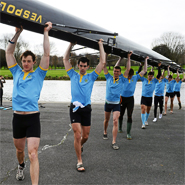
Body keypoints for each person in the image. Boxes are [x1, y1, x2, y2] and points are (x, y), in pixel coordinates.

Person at [5, 22, 52, 185]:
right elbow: (9, 52)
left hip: (32, 118)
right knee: (20, 150)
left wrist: (46, 32)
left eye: (28, 61)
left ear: (33, 62)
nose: (25, 63)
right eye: (23, 60)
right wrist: (17, 33)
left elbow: (47, 54)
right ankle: (20, 166)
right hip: (17, 118)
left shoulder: (39, 74)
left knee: (33, 153)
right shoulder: (16, 71)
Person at [63, 40, 105, 172]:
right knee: (77, 134)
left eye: (84, 66)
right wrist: (71, 45)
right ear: (78, 65)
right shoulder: (73, 74)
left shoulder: (92, 76)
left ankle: (79, 145)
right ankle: (79, 161)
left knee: (85, 136)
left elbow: (102, 62)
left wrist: (100, 45)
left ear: (88, 66)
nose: (82, 68)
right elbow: (65, 59)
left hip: (86, 108)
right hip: (75, 108)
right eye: (80, 65)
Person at [102, 53, 131, 149]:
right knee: (106, 120)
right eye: (115, 71)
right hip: (107, 103)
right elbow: (104, 65)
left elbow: (128, 69)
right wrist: (105, 54)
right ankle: (105, 131)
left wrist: (129, 57)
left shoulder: (122, 79)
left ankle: (114, 142)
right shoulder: (108, 77)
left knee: (115, 121)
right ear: (113, 71)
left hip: (116, 104)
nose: (116, 72)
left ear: (120, 72)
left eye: (118, 71)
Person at [116, 55, 148, 139]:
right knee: (121, 114)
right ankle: (119, 128)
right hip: (122, 98)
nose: (129, 77)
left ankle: (128, 133)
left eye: (130, 75)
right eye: (128, 75)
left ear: (132, 74)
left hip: (130, 99)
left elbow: (144, 70)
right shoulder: (123, 77)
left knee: (129, 115)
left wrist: (145, 60)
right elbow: (116, 67)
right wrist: (121, 58)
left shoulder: (135, 77)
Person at [140, 62, 161, 129]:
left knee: (148, 110)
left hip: (149, 98)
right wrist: (141, 66)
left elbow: (159, 75)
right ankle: (143, 123)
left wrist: (159, 67)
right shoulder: (144, 80)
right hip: (143, 97)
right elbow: (139, 73)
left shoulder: (154, 81)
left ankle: (146, 120)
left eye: (151, 76)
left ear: (152, 77)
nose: (150, 77)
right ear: (147, 76)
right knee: (143, 109)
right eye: (149, 76)